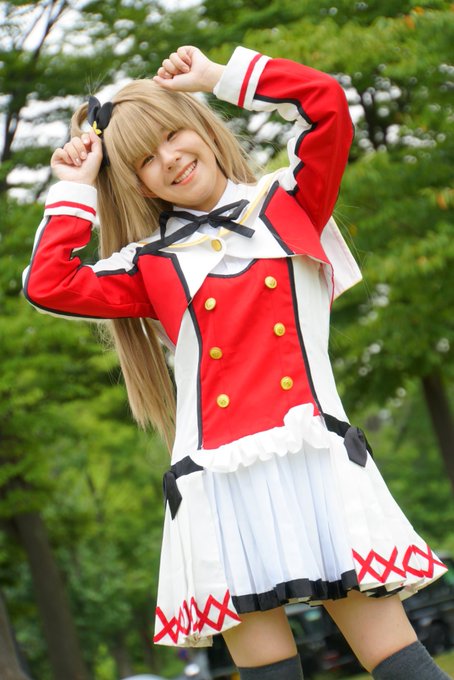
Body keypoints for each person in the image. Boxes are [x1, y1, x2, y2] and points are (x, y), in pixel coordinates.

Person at [23, 45, 450, 680]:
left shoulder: (288, 202)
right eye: (144, 160)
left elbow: (326, 104)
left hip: (315, 458)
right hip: (220, 485)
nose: (169, 158)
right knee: (270, 674)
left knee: (400, 662)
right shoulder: (150, 263)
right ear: (136, 183)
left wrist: (220, 77)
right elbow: (49, 283)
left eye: (173, 134)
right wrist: (76, 187)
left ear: (200, 125)